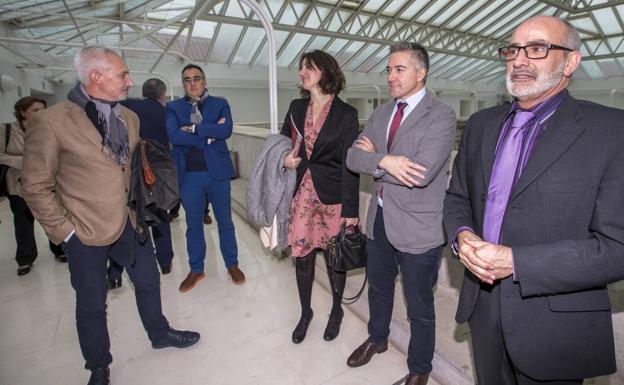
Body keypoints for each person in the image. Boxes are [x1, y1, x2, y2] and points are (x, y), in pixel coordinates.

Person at [444, 16, 624, 385]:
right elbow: (457, 196)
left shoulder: (611, 131)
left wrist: (516, 261)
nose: (520, 60)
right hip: (483, 306)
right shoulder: (481, 125)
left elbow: (617, 247)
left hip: (553, 323)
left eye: (538, 48)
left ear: (571, 62)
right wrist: (463, 236)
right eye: (512, 49)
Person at [21, 46, 200, 385]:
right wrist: (65, 231)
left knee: (148, 282)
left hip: (129, 223)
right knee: (91, 302)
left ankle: (159, 333)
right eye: (122, 75)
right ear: (95, 77)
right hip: (83, 230)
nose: (130, 81)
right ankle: (98, 365)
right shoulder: (52, 121)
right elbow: (34, 185)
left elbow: (127, 171)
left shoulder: (128, 118)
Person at [345, 42, 456, 385]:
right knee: (379, 289)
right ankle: (377, 338)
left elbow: (419, 173)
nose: (390, 76)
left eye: (399, 69)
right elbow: (351, 157)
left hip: (419, 227)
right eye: (389, 69)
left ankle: (419, 369)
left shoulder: (441, 115)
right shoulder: (381, 114)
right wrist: (385, 159)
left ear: (421, 73)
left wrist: (374, 158)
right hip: (379, 221)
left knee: (419, 306)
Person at [280, 50, 360, 344]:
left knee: (334, 259)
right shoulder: (296, 107)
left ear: (324, 71)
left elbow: (350, 165)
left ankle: (336, 311)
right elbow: (281, 142)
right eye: (300, 67)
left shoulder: (347, 114)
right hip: (302, 194)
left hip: (334, 196)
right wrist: (284, 160)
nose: (301, 72)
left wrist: (351, 210)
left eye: (307, 67)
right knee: (302, 256)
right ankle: (305, 313)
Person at [166, 64, 245, 292]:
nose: (192, 83)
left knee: (225, 222)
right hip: (189, 176)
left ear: (204, 81)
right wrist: (208, 133)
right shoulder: (173, 107)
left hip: (217, 173)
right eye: (187, 80)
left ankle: (232, 264)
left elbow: (226, 130)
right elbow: (173, 135)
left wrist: (191, 129)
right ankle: (196, 269)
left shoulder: (220, 103)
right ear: (183, 84)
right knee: (193, 225)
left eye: (197, 78)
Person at [107, 78, 176, 289]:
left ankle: (115, 272)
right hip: (156, 174)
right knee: (160, 215)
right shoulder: (165, 113)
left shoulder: (127, 108)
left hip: (128, 174)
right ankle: (164, 262)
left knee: (128, 219)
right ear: (162, 95)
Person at [1, 97, 67, 276]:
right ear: (23, 112)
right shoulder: (6, 130)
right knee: (23, 223)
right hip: (18, 185)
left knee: (52, 216)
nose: (41, 113)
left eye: (43, 109)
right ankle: (25, 259)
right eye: (36, 110)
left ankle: (60, 249)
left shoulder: (47, 128)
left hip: (47, 184)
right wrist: (25, 161)